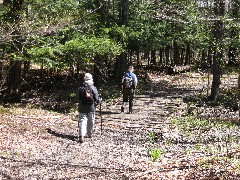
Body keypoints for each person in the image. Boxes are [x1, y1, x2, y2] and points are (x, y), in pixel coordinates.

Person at [77, 73, 101, 143]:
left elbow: (78, 99)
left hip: (82, 107)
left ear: (84, 79)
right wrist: (100, 100)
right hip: (91, 108)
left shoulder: (80, 88)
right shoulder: (93, 88)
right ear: (91, 79)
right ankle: (89, 134)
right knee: (91, 121)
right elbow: (97, 99)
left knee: (82, 121)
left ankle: (81, 135)